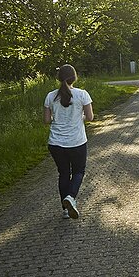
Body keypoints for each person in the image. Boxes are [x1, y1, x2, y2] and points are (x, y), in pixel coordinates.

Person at [43, 64, 93, 219]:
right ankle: (71, 197)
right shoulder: (82, 94)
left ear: (59, 78)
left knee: (64, 173)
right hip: (76, 141)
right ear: (74, 78)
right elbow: (90, 117)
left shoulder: (50, 96)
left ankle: (65, 210)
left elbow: (46, 120)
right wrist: (79, 117)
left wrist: (58, 117)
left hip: (55, 143)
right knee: (78, 171)